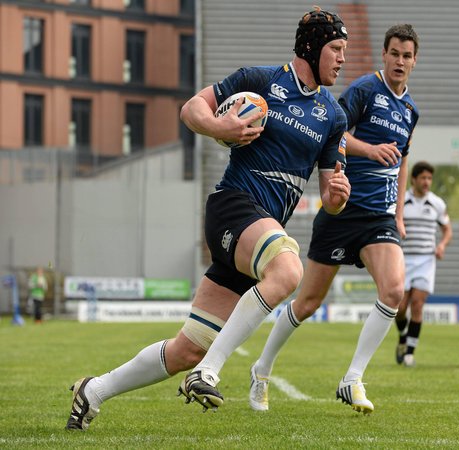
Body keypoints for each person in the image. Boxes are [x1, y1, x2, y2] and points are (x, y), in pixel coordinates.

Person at [65, 6, 350, 430]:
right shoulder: (259, 81)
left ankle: (94, 391)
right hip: (232, 207)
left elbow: (330, 195)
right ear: (312, 48)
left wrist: (337, 198)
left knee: (188, 348)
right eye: (336, 48)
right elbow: (191, 108)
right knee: (289, 269)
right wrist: (221, 127)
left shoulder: (334, 116)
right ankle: (209, 373)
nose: (342, 58)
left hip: (258, 234)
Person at [248, 24, 420, 414]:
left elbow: (404, 160)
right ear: (384, 54)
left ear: (415, 61)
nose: (400, 61)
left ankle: (352, 378)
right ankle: (262, 368)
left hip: (379, 218)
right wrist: (370, 150)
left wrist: (398, 213)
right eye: (394, 53)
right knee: (307, 302)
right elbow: (334, 132)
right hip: (343, 210)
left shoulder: (411, 110)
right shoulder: (364, 90)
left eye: (407, 55)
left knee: (394, 291)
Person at [394, 161, 452, 367]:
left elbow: (447, 229)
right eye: (423, 178)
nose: (427, 182)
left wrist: (442, 245)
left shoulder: (437, 203)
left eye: (429, 178)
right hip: (403, 259)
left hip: (426, 260)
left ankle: (409, 354)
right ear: (413, 179)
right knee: (400, 308)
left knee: (418, 304)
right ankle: (403, 335)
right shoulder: (402, 201)